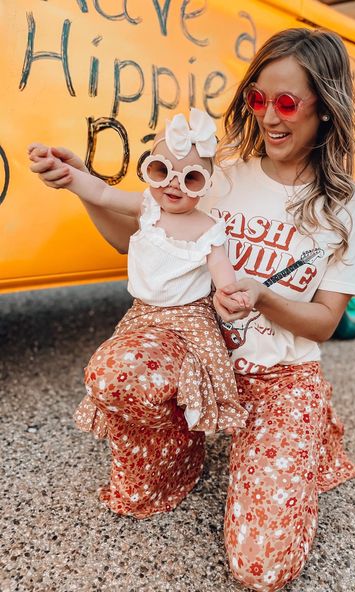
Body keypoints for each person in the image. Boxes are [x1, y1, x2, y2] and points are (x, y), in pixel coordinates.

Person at [29, 27, 355, 592]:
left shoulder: (348, 208)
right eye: (257, 100)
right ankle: (180, 456)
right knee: (116, 374)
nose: (268, 116)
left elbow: (326, 322)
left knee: (261, 570)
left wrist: (262, 294)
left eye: (286, 102)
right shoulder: (221, 179)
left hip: (281, 375)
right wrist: (76, 183)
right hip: (198, 350)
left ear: (327, 108)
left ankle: (311, 431)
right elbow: (132, 232)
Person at [29, 107, 250, 519]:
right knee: (118, 373)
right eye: (162, 170)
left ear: (206, 186)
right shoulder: (147, 207)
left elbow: (223, 276)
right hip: (144, 317)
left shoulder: (208, 228)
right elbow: (101, 193)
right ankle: (152, 444)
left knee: (185, 384)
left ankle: (180, 437)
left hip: (188, 321)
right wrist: (64, 171)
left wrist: (230, 298)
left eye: (191, 178)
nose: (173, 185)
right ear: (149, 171)